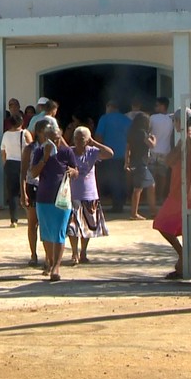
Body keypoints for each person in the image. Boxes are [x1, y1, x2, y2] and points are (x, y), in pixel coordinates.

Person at [29, 121, 79, 282]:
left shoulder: (67, 152)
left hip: (62, 198)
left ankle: (56, 266)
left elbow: (76, 170)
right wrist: (45, 158)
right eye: (52, 139)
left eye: (57, 138)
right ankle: (49, 261)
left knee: (59, 233)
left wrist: (72, 172)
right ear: (45, 137)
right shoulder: (39, 151)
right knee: (47, 233)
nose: (55, 142)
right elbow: (34, 172)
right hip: (44, 197)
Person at [152, 108, 191, 279]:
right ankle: (183, 262)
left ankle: (184, 256)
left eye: (174, 121)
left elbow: (170, 160)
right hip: (180, 189)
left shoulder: (187, 139)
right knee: (181, 227)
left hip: (181, 192)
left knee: (162, 223)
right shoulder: (186, 139)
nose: (173, 124)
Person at [67, 126, 113, 265]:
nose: (78, 142)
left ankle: (83, 252)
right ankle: (74, 252)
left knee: (88, 226)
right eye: (76, 138)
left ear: (87, 140)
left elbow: (110, 153)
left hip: (89, 194)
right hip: (72, 194)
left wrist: (94, 142)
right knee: (72, 227)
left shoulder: (92, 152)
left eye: (82, 139)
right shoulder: (70, 152)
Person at [19, 120, 48, 266]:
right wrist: (23, 192)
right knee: (33, 222)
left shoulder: (53, 147)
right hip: (33, 186)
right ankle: (33, 254)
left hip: (48, 187)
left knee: (46, 223)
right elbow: (24, 171)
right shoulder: (30, 149)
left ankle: (48, 255)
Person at [94, 100, 131, 213]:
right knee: (121, 179)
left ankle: (116, 206)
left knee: (112, 180)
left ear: (109, 107)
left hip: (108, 155)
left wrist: (98, 153)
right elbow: (131, 138)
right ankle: (121, 202)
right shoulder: (127, 120)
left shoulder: (104, 119)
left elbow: (99, 136)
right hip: (123, 155)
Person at [1, 112, 33, 227]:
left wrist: (5, 165)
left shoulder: (5, 135)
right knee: (27, 190)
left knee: (12, 193)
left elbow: (3, 152)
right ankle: (31, 217)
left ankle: (13, 219)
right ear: (22, 122)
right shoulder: (25, 133)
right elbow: (32, 148)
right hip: (23, 163)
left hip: (10, 163)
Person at [125, 113, 157, 220]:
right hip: (141, 163)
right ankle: (134, 213)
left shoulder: (131, 133)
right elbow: (151, 145)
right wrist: (154, 138)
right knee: (139, 188)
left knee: (148, 185)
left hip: (135, 162)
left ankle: (152, 210)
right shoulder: (142, 133)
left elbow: (127, 149)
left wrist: (127, 162)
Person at [149, 97, 174, 202]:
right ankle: (160, 197)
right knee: (163, 177)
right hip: (165, 151)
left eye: (157, 105)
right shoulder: (171, 119)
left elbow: (148, 131)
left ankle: (152, 199)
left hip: (153, 151)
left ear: (162, 106)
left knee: (151, 178)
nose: (155, 107)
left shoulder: (153, 118)